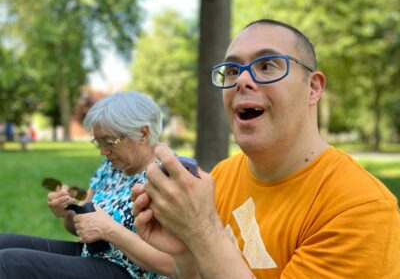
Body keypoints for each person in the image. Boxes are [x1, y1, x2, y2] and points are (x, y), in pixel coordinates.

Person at [132, 19, 400, 278]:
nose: (242, 81)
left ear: (313, 88)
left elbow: (207, 236)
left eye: (267, 65)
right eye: (233, 70)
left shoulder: (360, 209)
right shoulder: (222, 176)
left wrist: (201, 231)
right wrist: (185, 251)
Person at [0, 91, 173, 278]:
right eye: (98, 143)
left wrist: (110, 230)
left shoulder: (168, 178)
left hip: (130, 272)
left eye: (109, 142)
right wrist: (67, 211)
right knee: (3, 242)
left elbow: (173, 264)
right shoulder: (112, 166)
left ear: (142, 133)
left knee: (8, 264)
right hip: (92, 255)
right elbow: (81, 228)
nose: (103, 152)